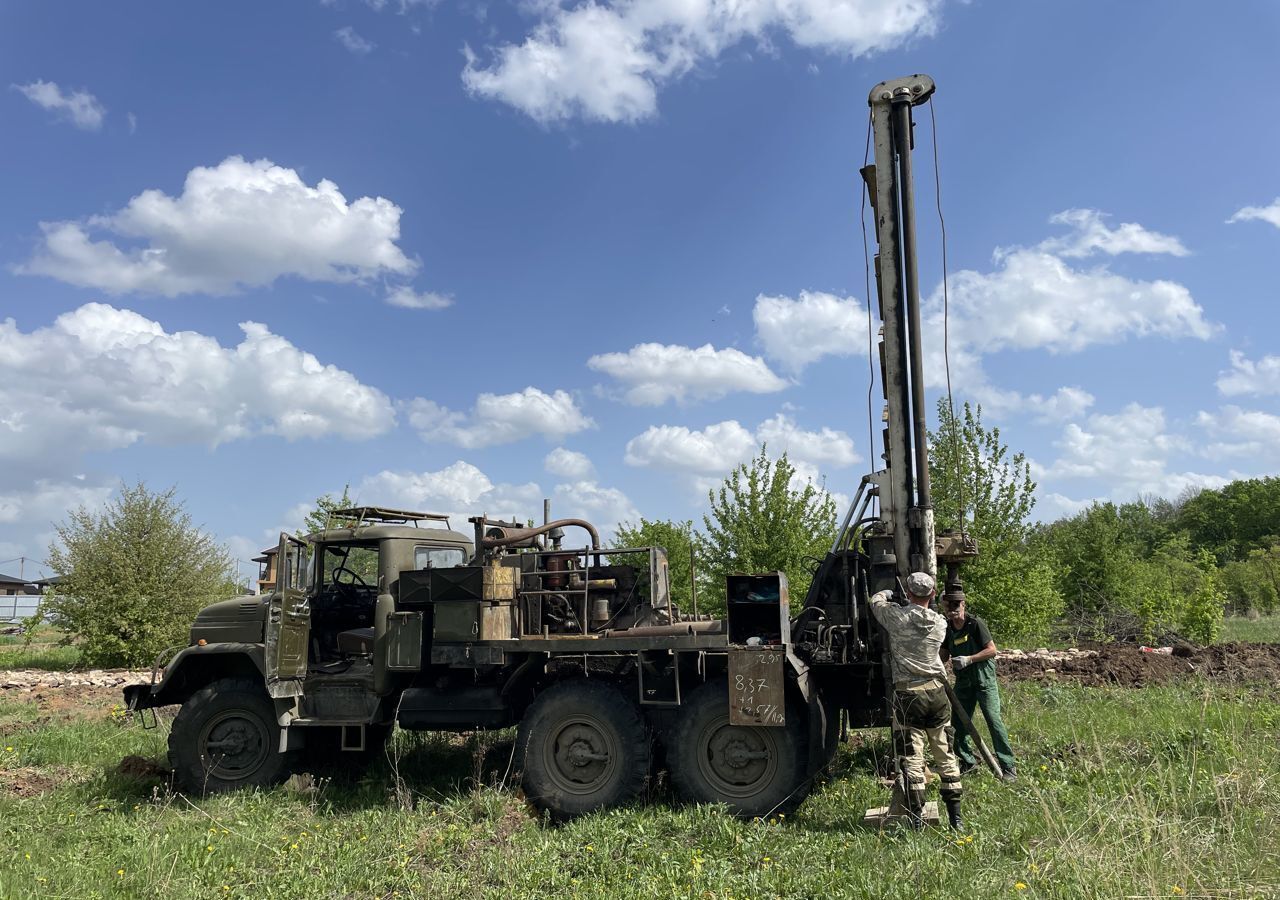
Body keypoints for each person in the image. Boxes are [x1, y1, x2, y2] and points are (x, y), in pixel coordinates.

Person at [869, 571, 963, 830]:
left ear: (908, 593)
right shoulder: (940, 623)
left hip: (909, 694)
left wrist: (889, 594)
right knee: (945, 754)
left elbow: (875, 602)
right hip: (937, 693)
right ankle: (956, 819)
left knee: (911, 758)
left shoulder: (896, 618)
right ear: (932, 595)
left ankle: (917, 819)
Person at [941, 596, 1017, 781]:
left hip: (984, 681)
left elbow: (992, 650)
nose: (953, 609)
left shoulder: (975, 624)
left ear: (963, 604)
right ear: (943, 607)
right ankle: (968, 761)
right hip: (964, 682)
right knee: (958, 723)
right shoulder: (946, 629)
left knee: (993, 720)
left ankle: (1008, 766)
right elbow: (943, 654)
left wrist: (969, 659)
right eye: (949, 606)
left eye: (956, 605)